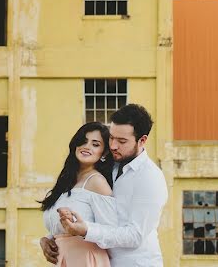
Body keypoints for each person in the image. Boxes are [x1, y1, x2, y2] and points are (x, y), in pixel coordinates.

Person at [41, 104, 169, 267]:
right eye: (111, 138)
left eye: (121, 141)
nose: (113, 146)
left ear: (142, 140)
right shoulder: (110, 167)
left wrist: (86, 230)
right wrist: (48, 239)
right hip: (100, 260)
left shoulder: (150, 178)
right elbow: (85, 210)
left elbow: (135, 235)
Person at [39, 122, 118, 266]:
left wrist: (83, 230)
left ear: (104, 152)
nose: (87, 147)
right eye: (83, 141)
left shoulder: (97, 182)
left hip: (87, 259)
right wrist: (45, 240)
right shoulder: (65, 183)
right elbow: (59, 228)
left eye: (95, 144)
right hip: (64, 260)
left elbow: (112, 231)